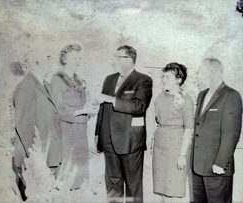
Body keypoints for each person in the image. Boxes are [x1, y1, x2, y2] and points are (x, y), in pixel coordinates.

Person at [95, 45, 153, 202]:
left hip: (130, 142)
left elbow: (139, 106)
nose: (114, 60)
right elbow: (103, 109)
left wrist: (113, 100)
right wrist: (98, 134)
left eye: (118, 57)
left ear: (129, 59)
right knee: (113, 186)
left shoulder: (143, 80)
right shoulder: (109, 79)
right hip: (109, 142)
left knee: (133, 188)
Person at [191, 58, 242, 203]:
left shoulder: (231, 95)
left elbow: (231, 133)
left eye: (200, 72)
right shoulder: (202, 94)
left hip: (216, 168)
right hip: (198, 167)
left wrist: (220, 163)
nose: (198, 76)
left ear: (211, 73)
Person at [13, 54, 62, 201]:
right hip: (36, 161)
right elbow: (24, 127)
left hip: (47, 157)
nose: (52, 62)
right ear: (36, 62)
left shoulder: (43, 85)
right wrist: (35, 159)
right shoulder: (25, 86)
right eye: (48, 58)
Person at [50, 44, 91, 190]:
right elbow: (57, 109)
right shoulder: (57, 80)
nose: (78, 60)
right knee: (67, 173)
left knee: (80, 173)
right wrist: (77, 112)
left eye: (79, 57)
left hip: (81, 130)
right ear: (65, 59)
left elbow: (83, 104)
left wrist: (89, 110)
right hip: (66, 132)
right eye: (74, 57)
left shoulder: (78, 81)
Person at [152, 63, 194, 203]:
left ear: (178, 80)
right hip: (160, 145)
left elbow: (188, 129)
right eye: (163, 76)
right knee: (161, 187)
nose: (163, 79)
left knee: (174, 188)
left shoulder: (186, 99)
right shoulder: (159, 97)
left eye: (167, 77)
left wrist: (182, 155)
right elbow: (156, 121)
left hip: (176, 146)